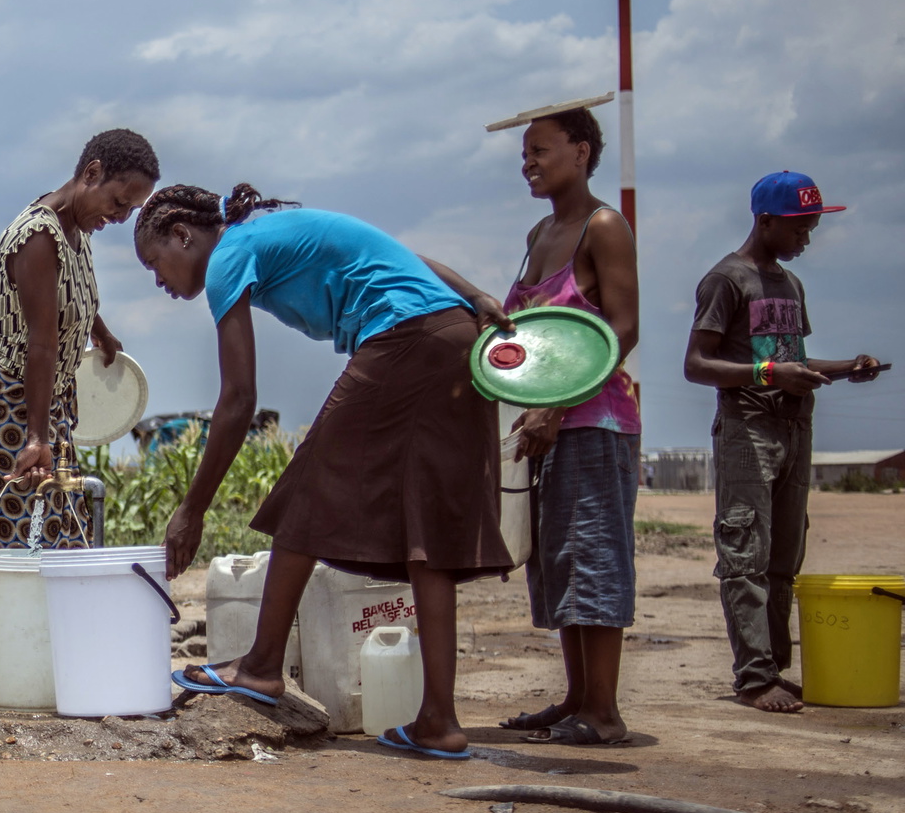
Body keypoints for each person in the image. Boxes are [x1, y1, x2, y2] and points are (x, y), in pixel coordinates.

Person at [133, 184, 512, 759]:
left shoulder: (230, 253)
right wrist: (474, 295)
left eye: (154, 262)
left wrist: (193, 508)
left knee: (308, 487)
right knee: (426, 530)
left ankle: (259, 667)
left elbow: (238, 400)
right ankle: (439, 719)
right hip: (458, 339)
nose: (157, 280)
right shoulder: (267, 232)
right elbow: (400, 254)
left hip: (405, 339)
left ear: (183, 235)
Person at [0, 128, 158, 669]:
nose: (118, 217)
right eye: (118, 202)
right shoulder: (38, 236)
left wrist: (101, 332)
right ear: (91, 173)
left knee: (55, 520)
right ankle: (0, 652)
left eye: (130, 210)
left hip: (43, 394)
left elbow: (70, 301)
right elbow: (40, 343)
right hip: (4, 396)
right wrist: (37, 435)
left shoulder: (75, 227)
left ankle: (0, 646)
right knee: (21, 521)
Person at [683, 171, 884, 714]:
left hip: (795, 430)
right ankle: (752, 677)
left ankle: (772, 665)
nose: (806, 240)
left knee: (783, 555)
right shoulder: (727, 280)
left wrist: (847, 368)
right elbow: (697, 365)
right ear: (765, 221)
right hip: (749, 431)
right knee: (745, 552)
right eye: (798, 229)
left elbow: (792, 359)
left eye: (811, 228)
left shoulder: (790, 286)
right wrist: (771, 376)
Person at [491, 108, 641, 747]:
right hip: (542, 425)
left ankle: (604, 712)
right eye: (524, 152)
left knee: (593, 556)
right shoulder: (539, 232)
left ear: (581, 151)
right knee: (558, 562)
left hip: (593, 421)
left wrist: (558, 405)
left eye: (541, 150)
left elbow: (623, 326)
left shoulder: (602, 226)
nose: (529, 162)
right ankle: (579, 698)